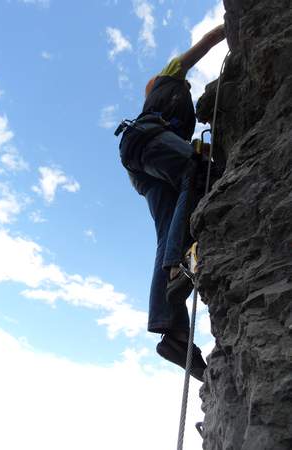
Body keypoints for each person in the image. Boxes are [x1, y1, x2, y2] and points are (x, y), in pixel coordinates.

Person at [117, 24, 226, 381]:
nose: (188, 86)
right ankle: (179, 264)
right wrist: (233, 26)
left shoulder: (171, 116)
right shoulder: (167, 76)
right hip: (146, 141)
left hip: (144, 162)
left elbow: (181, 152)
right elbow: (206, 43)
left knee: (168, 232)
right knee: (195, 172)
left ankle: (173, 332)